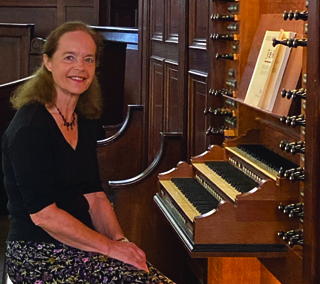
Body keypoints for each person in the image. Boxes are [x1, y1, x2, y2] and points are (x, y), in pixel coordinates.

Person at [2, 21, 174, 284]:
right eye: (69, 57)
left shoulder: (82, 118)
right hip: (36, 252)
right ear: (47, 62)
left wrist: (121, 242)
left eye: (88, 59)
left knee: (147, 274)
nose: (80, 67)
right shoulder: (30, 128)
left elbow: (94, 194)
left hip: (83, 242)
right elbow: (44, 215)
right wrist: (109, 248)